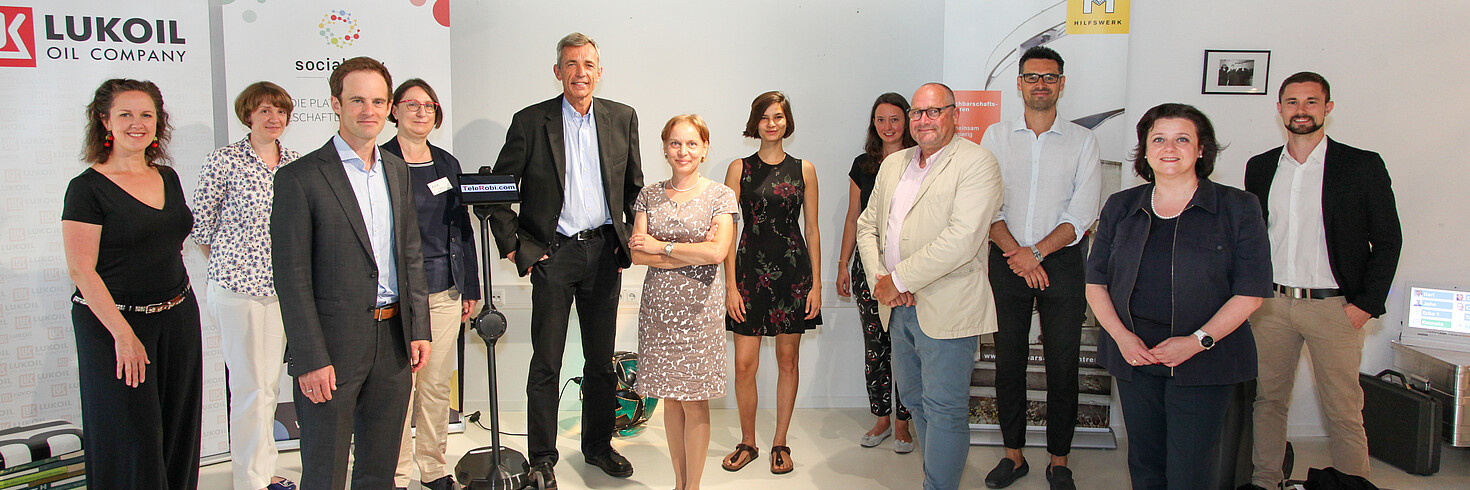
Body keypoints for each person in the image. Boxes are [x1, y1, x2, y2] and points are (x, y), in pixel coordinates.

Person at [1085, 103, 1272, 489]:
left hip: (1205, 357)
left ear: (1201, 150)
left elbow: (1251, 291)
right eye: (1159, 139)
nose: (1170, 148)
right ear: (1146, 150)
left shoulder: (1237, 207)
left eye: (1182, 139)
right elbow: (1096, 283)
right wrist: (1123, 338)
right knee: (1145, 463)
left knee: (1190, 470)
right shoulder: (1121, 206)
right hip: (1136, 355)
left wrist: (1196, 342)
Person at [487, 32, 643, 482]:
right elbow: (497, 190)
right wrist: (517, 246)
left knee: (600, 361)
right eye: (571, 64)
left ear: (599, 70)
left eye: (588, 64)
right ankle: (542, 460)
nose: (581, 72)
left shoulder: (622, 118)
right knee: (547, 362)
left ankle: (598, 446)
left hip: (603, 254)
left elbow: (633, 187)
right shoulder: (530, 121)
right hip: (553, 255)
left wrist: (625, 239)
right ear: (558, 72)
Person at [271, 56, 432, 490]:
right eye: (357, 99)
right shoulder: (299, 178)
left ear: (389, 108)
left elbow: (410, 256)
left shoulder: (397, 171)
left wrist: (419, 328)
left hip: (394, 340)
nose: (369, 110)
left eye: (378, 101)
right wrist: (310, 357)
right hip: (331, 347)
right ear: (335, 104)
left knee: (379, 469)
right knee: (324, 470)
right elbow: (291, 277)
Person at [1244, 72, 1402, 490]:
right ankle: (1265, 482)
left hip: (1335, 308)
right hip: (1272, 306)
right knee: (1268, 402)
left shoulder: (1361, 165)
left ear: (1327, 108)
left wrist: (1365, 305)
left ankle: (1353, 485)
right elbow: (1254, 237)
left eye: (1311, 102)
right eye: (1292, 102)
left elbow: (1388, 240)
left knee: (1343, 409)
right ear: (1279, 109)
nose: (1301, 110)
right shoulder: (1260, 168)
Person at [855, 83, 1004, 490]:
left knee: (945, 410)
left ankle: (938, 485)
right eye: (918, 112)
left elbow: (962, 239)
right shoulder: (894, 164)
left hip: (947, 308)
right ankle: (935, 477)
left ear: (955, 114)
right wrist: (882, 283)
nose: (924, 120)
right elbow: (867, 226)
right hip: (898, 310)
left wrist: (899, 280)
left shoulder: (977, 163)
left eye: (934, 111)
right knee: (916, 402)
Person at [63, 78, 202, 488]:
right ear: (105, 121)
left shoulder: (168, 177)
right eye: (125, 114)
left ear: (159, 123)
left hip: (176, 316)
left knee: (178, 429)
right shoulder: (86, 189)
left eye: (147, 115)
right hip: (114, 325)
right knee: (130, 438)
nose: (136, 124)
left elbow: (169, 247)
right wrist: (123, 336)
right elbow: (82, 270)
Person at [978, 46, 1101, 490]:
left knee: (1062, 366)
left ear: (1062, 84)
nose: (1041, 84)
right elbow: (985, 204)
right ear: (1019, 83)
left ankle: (1058, 460)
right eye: (1032, 77)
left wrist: (1037, 253)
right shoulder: (994, 137)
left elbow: (1082, 212)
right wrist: (1017, 253)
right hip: (1007, 258)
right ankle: (1013, 456)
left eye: (1049, 77)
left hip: (1063, 263)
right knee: (1007, 363)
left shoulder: (1083, 141)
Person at [191, 81, 301, 490]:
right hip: (237, 289)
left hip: (281, 291)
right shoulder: (223, 161)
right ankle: (251, 480)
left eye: (280, 111)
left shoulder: (295, 163)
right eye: (264, 111)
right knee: (249, 386)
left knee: (267, 385)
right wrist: (234, 267)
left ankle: (262, 467)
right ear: (248, 115)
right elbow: (202, 229)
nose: (273, 118)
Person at [628, 114, 739, 490]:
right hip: (658, 311)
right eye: (675, 143)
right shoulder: (648, 194)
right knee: (670, 401)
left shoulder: (721, 195)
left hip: (699, 313)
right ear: (664, 148)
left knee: (695, 400)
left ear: (705, 148)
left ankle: (693, 487)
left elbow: (718, 251)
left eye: (692, 143)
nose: (683, 151)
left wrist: (664, 247)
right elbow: (638, 255)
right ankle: (679, 483)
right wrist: (693, 250)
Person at [380, 78, 480, 490]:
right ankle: (397, 474)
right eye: (412, 104)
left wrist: (470, 285)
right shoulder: (378, 159)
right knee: (399, 389)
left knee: (436, 385)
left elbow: (462, 227)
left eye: (429, 106)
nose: (422, 112)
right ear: (394, 111)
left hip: (444, 290)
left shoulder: (446, 163)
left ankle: (434, 469)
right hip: (396, 294)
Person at [721, 90, 823, 475]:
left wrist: (815, 285)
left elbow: (811, 230)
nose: (771, 123)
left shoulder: (805, 169)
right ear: (755, 122)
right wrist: (730, 286)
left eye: (778, 116)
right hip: (748, 271)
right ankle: (748, 442)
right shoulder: (738, 169)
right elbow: (727, 231)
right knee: (744, 365)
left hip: (794, 274)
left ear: (787, 121)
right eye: (764, 117)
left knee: (787, 360)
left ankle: (780, 442)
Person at [835, 92, 918, 454]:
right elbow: (854, 218)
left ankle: (904, 422)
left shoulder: (921, 161)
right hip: (867, 269)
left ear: (908, 121)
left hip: (908, 270)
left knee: (906, 348)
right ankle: (882, 418)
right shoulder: (863, 164)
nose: (887, 127)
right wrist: (842, 264)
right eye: (880, 120)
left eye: (894, 119)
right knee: (876, 348)